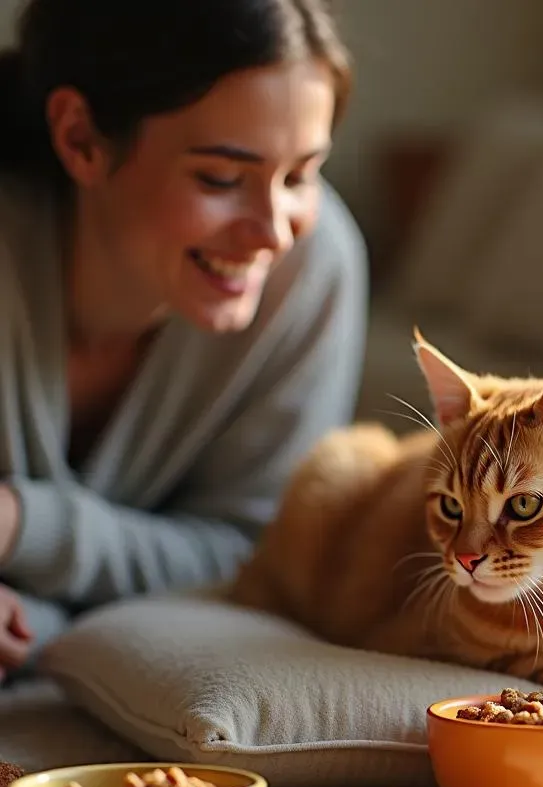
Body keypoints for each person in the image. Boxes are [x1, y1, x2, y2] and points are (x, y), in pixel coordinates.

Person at [0, 0, 369, 680]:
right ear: (81, 137)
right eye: (221, 179)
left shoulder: (314, 269)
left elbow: (252, 557)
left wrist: (23, 534)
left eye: (300, 176)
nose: (273, 231)